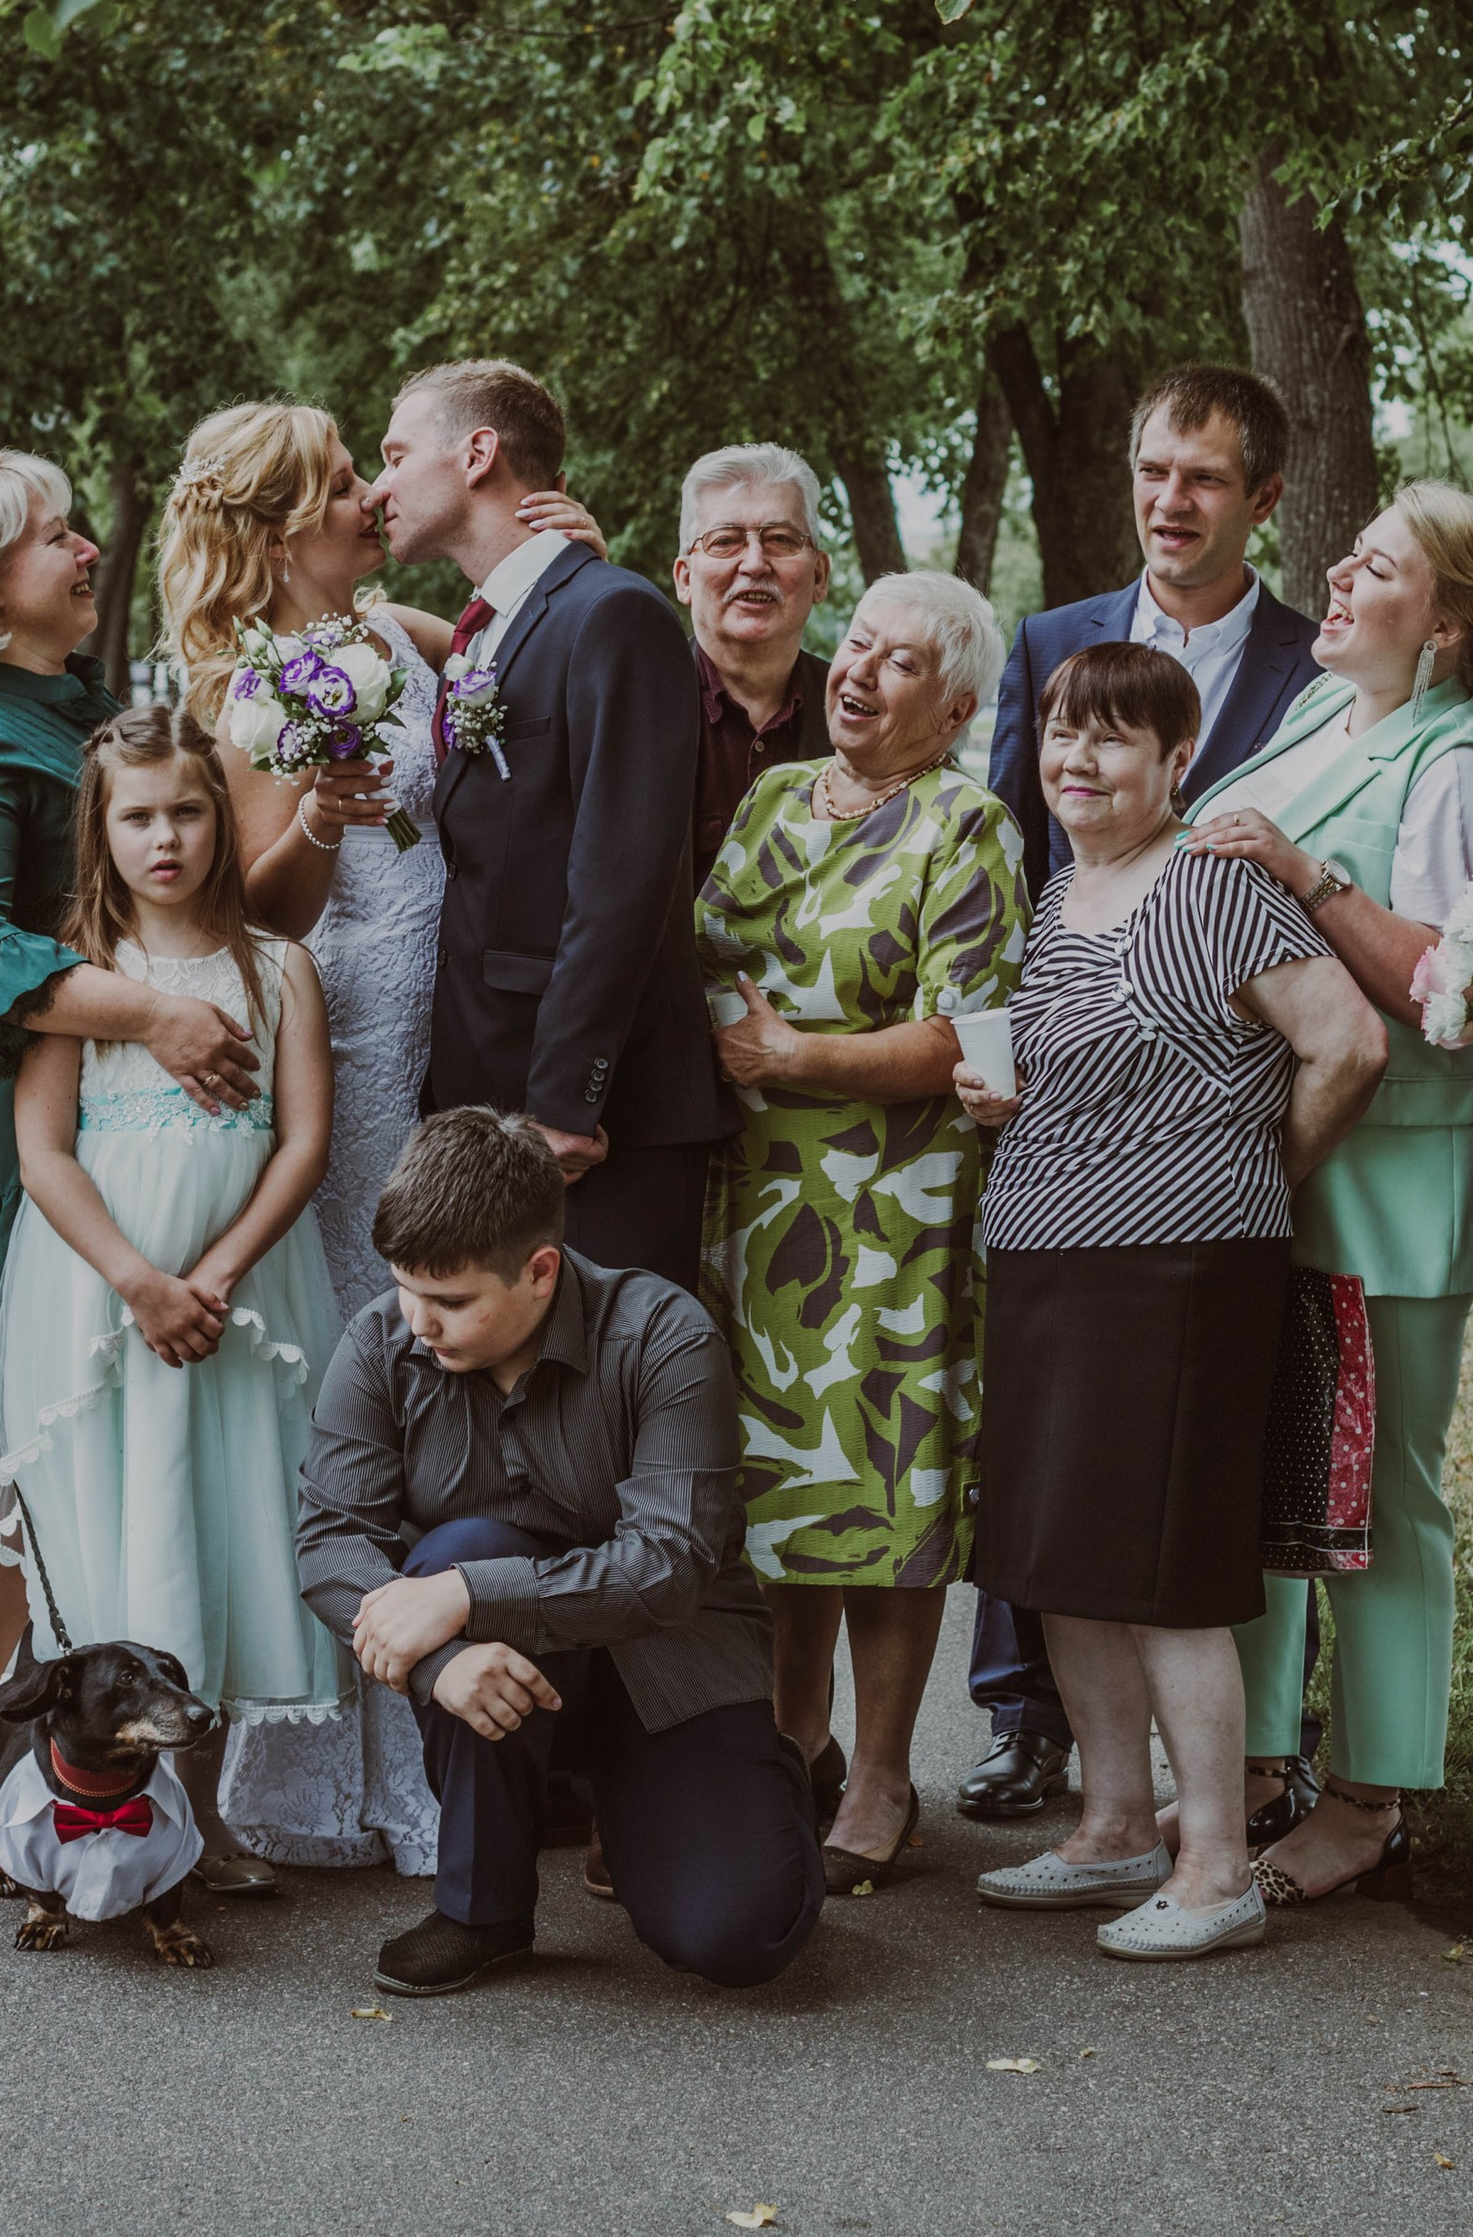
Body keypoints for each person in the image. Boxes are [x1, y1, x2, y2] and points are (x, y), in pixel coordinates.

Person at [153, 402, 599, 1879]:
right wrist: (331, 821)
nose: (369, 498)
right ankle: (348, 1767)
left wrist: (564, 554)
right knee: (374, 1360)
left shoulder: (390, 633)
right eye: (345, 488)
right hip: (343, 1032)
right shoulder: (253, 691)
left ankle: (452, 1741)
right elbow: (260, 908)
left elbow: (490, 632)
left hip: (438, 1027)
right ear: (283, 532)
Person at [959, 644, 1386, 1960]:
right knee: (1066, 1563)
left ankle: (1215, 1869)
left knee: (1164, 1572)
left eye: (1115, 742)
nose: (1080, 761)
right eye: (1064, 736)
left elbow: (1349, 1041)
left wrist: (1262, 1162)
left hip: (1181, 1265)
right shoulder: (1058, 891)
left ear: (1175, 762)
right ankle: (1112, 1827)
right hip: (1045, 1254)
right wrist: (1004, 1100)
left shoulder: (1213, 886)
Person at [0, 450, 264, 1809]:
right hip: (41, 1131)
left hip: (144, 1124)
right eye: (56, 538)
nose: (92, 548)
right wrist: (153, 1017)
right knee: (23, 1426)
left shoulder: (78, 711)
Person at [1179, 483, 1473, 1903]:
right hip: (1273, 1155)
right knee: (1268, 1477)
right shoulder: (1318, 720)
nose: (1336, 575)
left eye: (1377, 566)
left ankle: (1374, 1791)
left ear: (1445, 627)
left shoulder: (1464, 770)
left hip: (1399, 1177)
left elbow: (1457, 997)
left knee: (1383, 1498)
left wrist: (1309, 875)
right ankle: (1259, 1761)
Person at [968, 361, 1322, 1820]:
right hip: (1055, 1147)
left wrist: (1251, 1160)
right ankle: (1033, 1735)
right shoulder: (1053, 640)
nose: (1171, 504)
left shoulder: (1314, 670)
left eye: (1206, 479)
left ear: (1263, 499)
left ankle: (1235, 1805)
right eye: (1153, 472)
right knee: (1050, 1515)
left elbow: (1332, 1026)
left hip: (1204, 1168)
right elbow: (1010, 858)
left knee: (1179, 1524)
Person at [296, 1108, 825, 1997]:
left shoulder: (665, 1335)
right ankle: (483, 1909)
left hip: (671, 1666)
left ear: (541, 1272)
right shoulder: (383, 1339)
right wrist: (438, 1663)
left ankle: (747, 1783)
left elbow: (667, 1565)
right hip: (505, 1684)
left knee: (740, 1936)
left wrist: (464, 1594)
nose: (418, 1320)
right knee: (455, 1551)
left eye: (453, 1301)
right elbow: (329, 1544)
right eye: (404, 1289)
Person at [697, 571, 1027, 1888]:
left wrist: (795, 1055)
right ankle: (795, 1743)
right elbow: (711, 943)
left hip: (893, 1210)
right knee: (780, 1497)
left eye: (897, 665)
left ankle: (884, 1776)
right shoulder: (775, 798)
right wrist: (735, 1032)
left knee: (884, 1504)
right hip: (760, 1204)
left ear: (947, 713)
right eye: (857, 649)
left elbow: (960, 1035)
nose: (855, 671)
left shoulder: (968, 825)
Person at [0, 705, 344, 1888]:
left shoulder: (278, 967)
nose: (166, 836)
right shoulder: (78, 977)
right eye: (137, 816)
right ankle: (86, 1812)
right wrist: (138, 1281)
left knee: (223, 1520)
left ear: (222, 818)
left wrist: (219, 1272)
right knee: (117, 1530)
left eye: (188, 809)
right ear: (103, 828)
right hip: (102, 1297)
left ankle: (205, 1817)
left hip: (238, 1296)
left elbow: (302, 1142)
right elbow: (44, 1151)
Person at [373, 361, 732, 1289]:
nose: (380, 485)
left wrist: (569, 1096)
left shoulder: (614, 613)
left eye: (395, 454)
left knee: (601, 1394)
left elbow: (625, 872)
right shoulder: (487, 629)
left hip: (596, 1109)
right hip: (491, 1083)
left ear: (478, 454)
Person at [674, 442, 834, 881]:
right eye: (725, 541)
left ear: (819, 575)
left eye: (780, 539)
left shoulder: (864, 714)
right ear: (685, 579)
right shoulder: (639, 707)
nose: (755, 563)